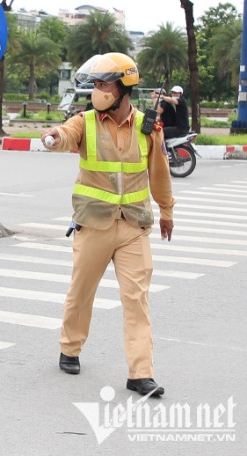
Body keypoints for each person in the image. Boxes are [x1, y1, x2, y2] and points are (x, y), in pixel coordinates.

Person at [41, 52, 175, 398]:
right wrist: (53, 137)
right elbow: (65, 135)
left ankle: (140, 373)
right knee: (81, 292)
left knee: (137, 300)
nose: (97, 91)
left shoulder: (148, 128)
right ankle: (70, 347)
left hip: (133, 227)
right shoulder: (85, 121)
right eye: (95, 85)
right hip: (94, 225)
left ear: (123, 87)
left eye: (103, 84)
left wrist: (166, 210)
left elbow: (159, 174)